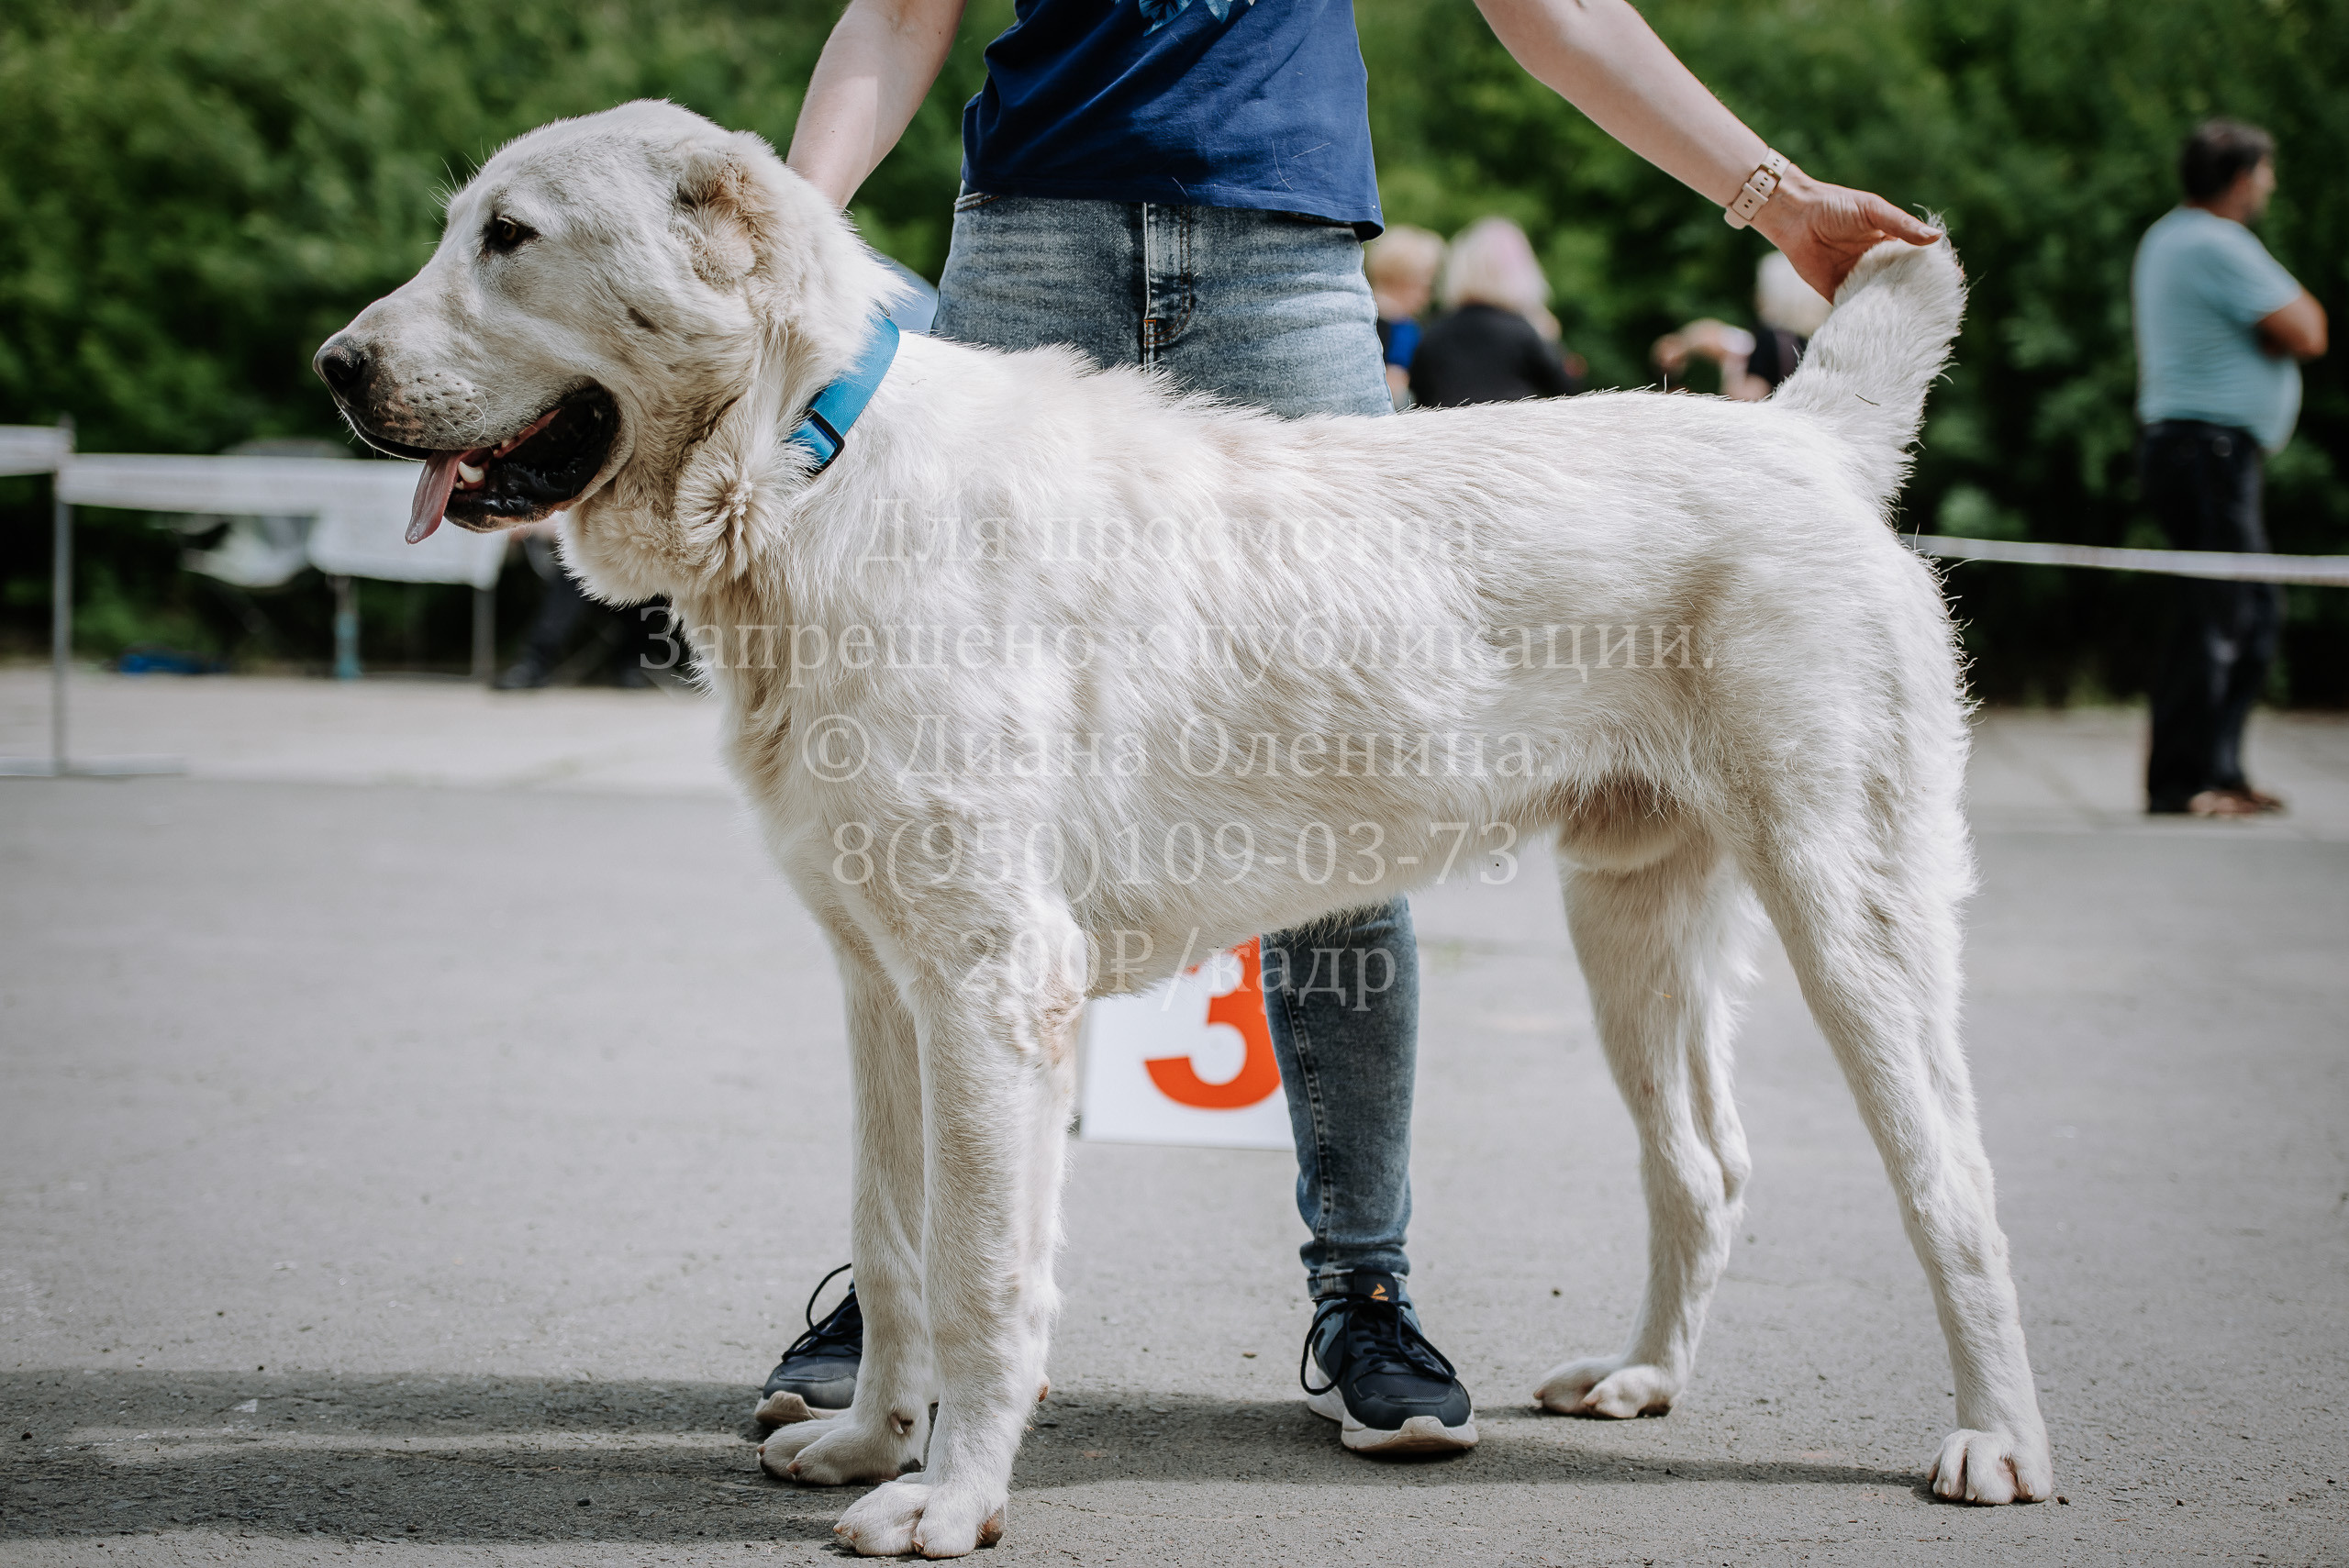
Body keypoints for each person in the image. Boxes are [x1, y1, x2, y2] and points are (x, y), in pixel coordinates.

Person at [757, 0, 1941, 1460]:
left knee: (1351, 782)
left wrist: (1771, 196)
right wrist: (780, 256)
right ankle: (914, 1309)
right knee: (951, 842)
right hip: (1028, 243)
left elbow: (1551, 9)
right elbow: (898, 9)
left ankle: (1363, 1287)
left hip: (1283, 246)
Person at [2133, 118, 2328, 817]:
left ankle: (2217, 768)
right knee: (2225, 612)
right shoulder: (2215, 241)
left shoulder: (2168, 235)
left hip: (2197, 452)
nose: (2270, 184)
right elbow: (2309, 328)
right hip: (2207, 453)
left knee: (2235, 609)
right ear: (2242, 178)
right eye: (2265, 172)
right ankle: (2187, 781)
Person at [1408, 216, 1584, 406]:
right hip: (1509, 432)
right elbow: (1566, 389)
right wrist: (1550, 339)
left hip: (1447, 433)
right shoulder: (1523, 329)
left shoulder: (1434, 330)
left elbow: (1419, 392)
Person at [1652, 250, 1831, 399]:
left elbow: (1749, 397)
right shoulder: (1813, 341)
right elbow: (1711, 334)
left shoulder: (1770, 339)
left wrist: (1730, 362)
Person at [1364, 224, 1445, 406]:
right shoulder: (1403, 329)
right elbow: (1396, 387)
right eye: (1426, 285)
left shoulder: (1358, 316)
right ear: (1405, 281)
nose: (1427, 296)